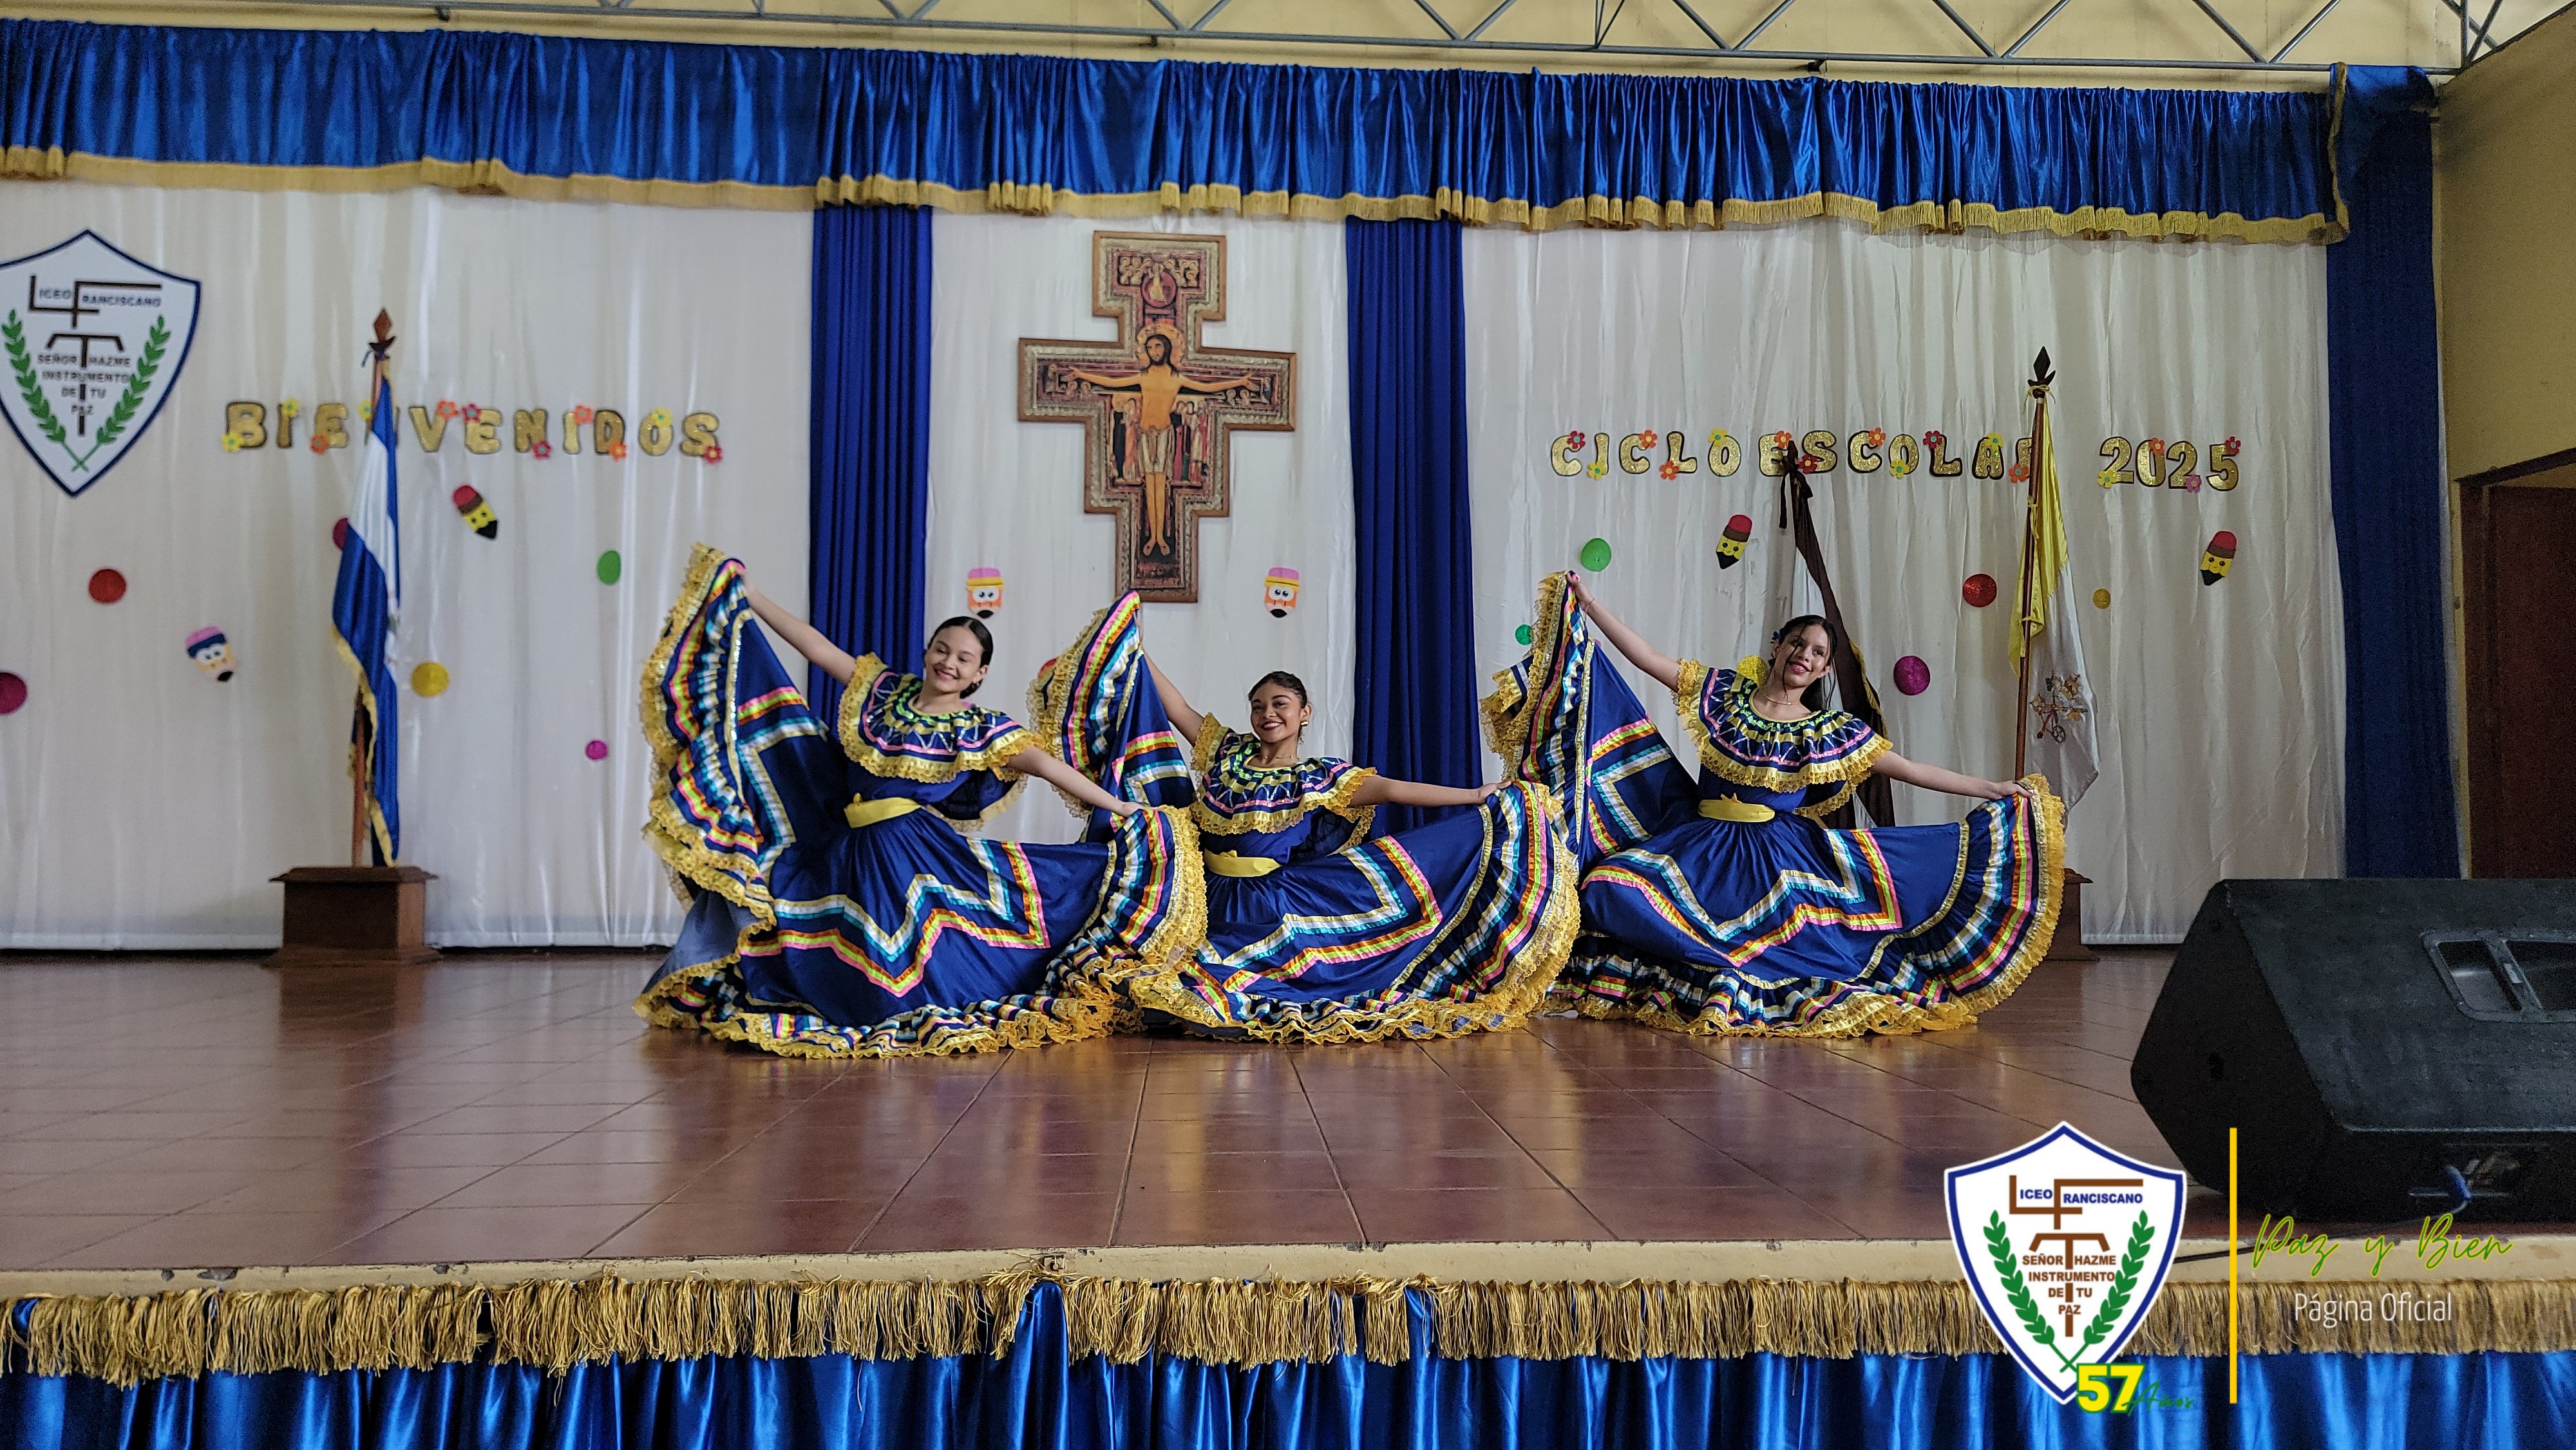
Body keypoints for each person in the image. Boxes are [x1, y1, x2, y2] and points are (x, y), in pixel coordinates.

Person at [635, 546, 1200, 1057]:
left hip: (909, 854)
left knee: (910, 967)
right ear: (928, 652)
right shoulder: (883, 693)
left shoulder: (978, 727)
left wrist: (1120, 809)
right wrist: (753, 598)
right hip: (850, 850)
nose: (949, 662)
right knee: (823, 936)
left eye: (964, 659)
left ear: (979, 674)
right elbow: (817, 647)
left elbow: (1048, 766)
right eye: (942, 649)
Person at [1487, 571, 2061, 1038]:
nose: (1804, 656)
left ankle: (1724, 968)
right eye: (1797, 644)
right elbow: (1647, 659)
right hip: (1698, 842)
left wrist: (1991, 789)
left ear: (1825, 669)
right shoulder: (1722, 694)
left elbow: (1909, 769)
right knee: (1606, 887)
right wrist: (1590, 607)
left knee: (1784, 941)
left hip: (1770, 857)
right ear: (1777, 646)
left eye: (1818, 653)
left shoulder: (1828, 730)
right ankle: (1702, 963)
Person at [1106, 653, 1578, 1043]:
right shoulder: (1227, 755)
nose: (1268, 713)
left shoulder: (1319, 777)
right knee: (1147, 984)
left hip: (1264, 905)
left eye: (1280, 704)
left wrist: (1475, 795)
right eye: (1258, 706)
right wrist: (1134, 645)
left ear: (1304, 712)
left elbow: (1392, 789)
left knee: (1214, 993)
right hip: (1206, 897)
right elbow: (1177, 706)